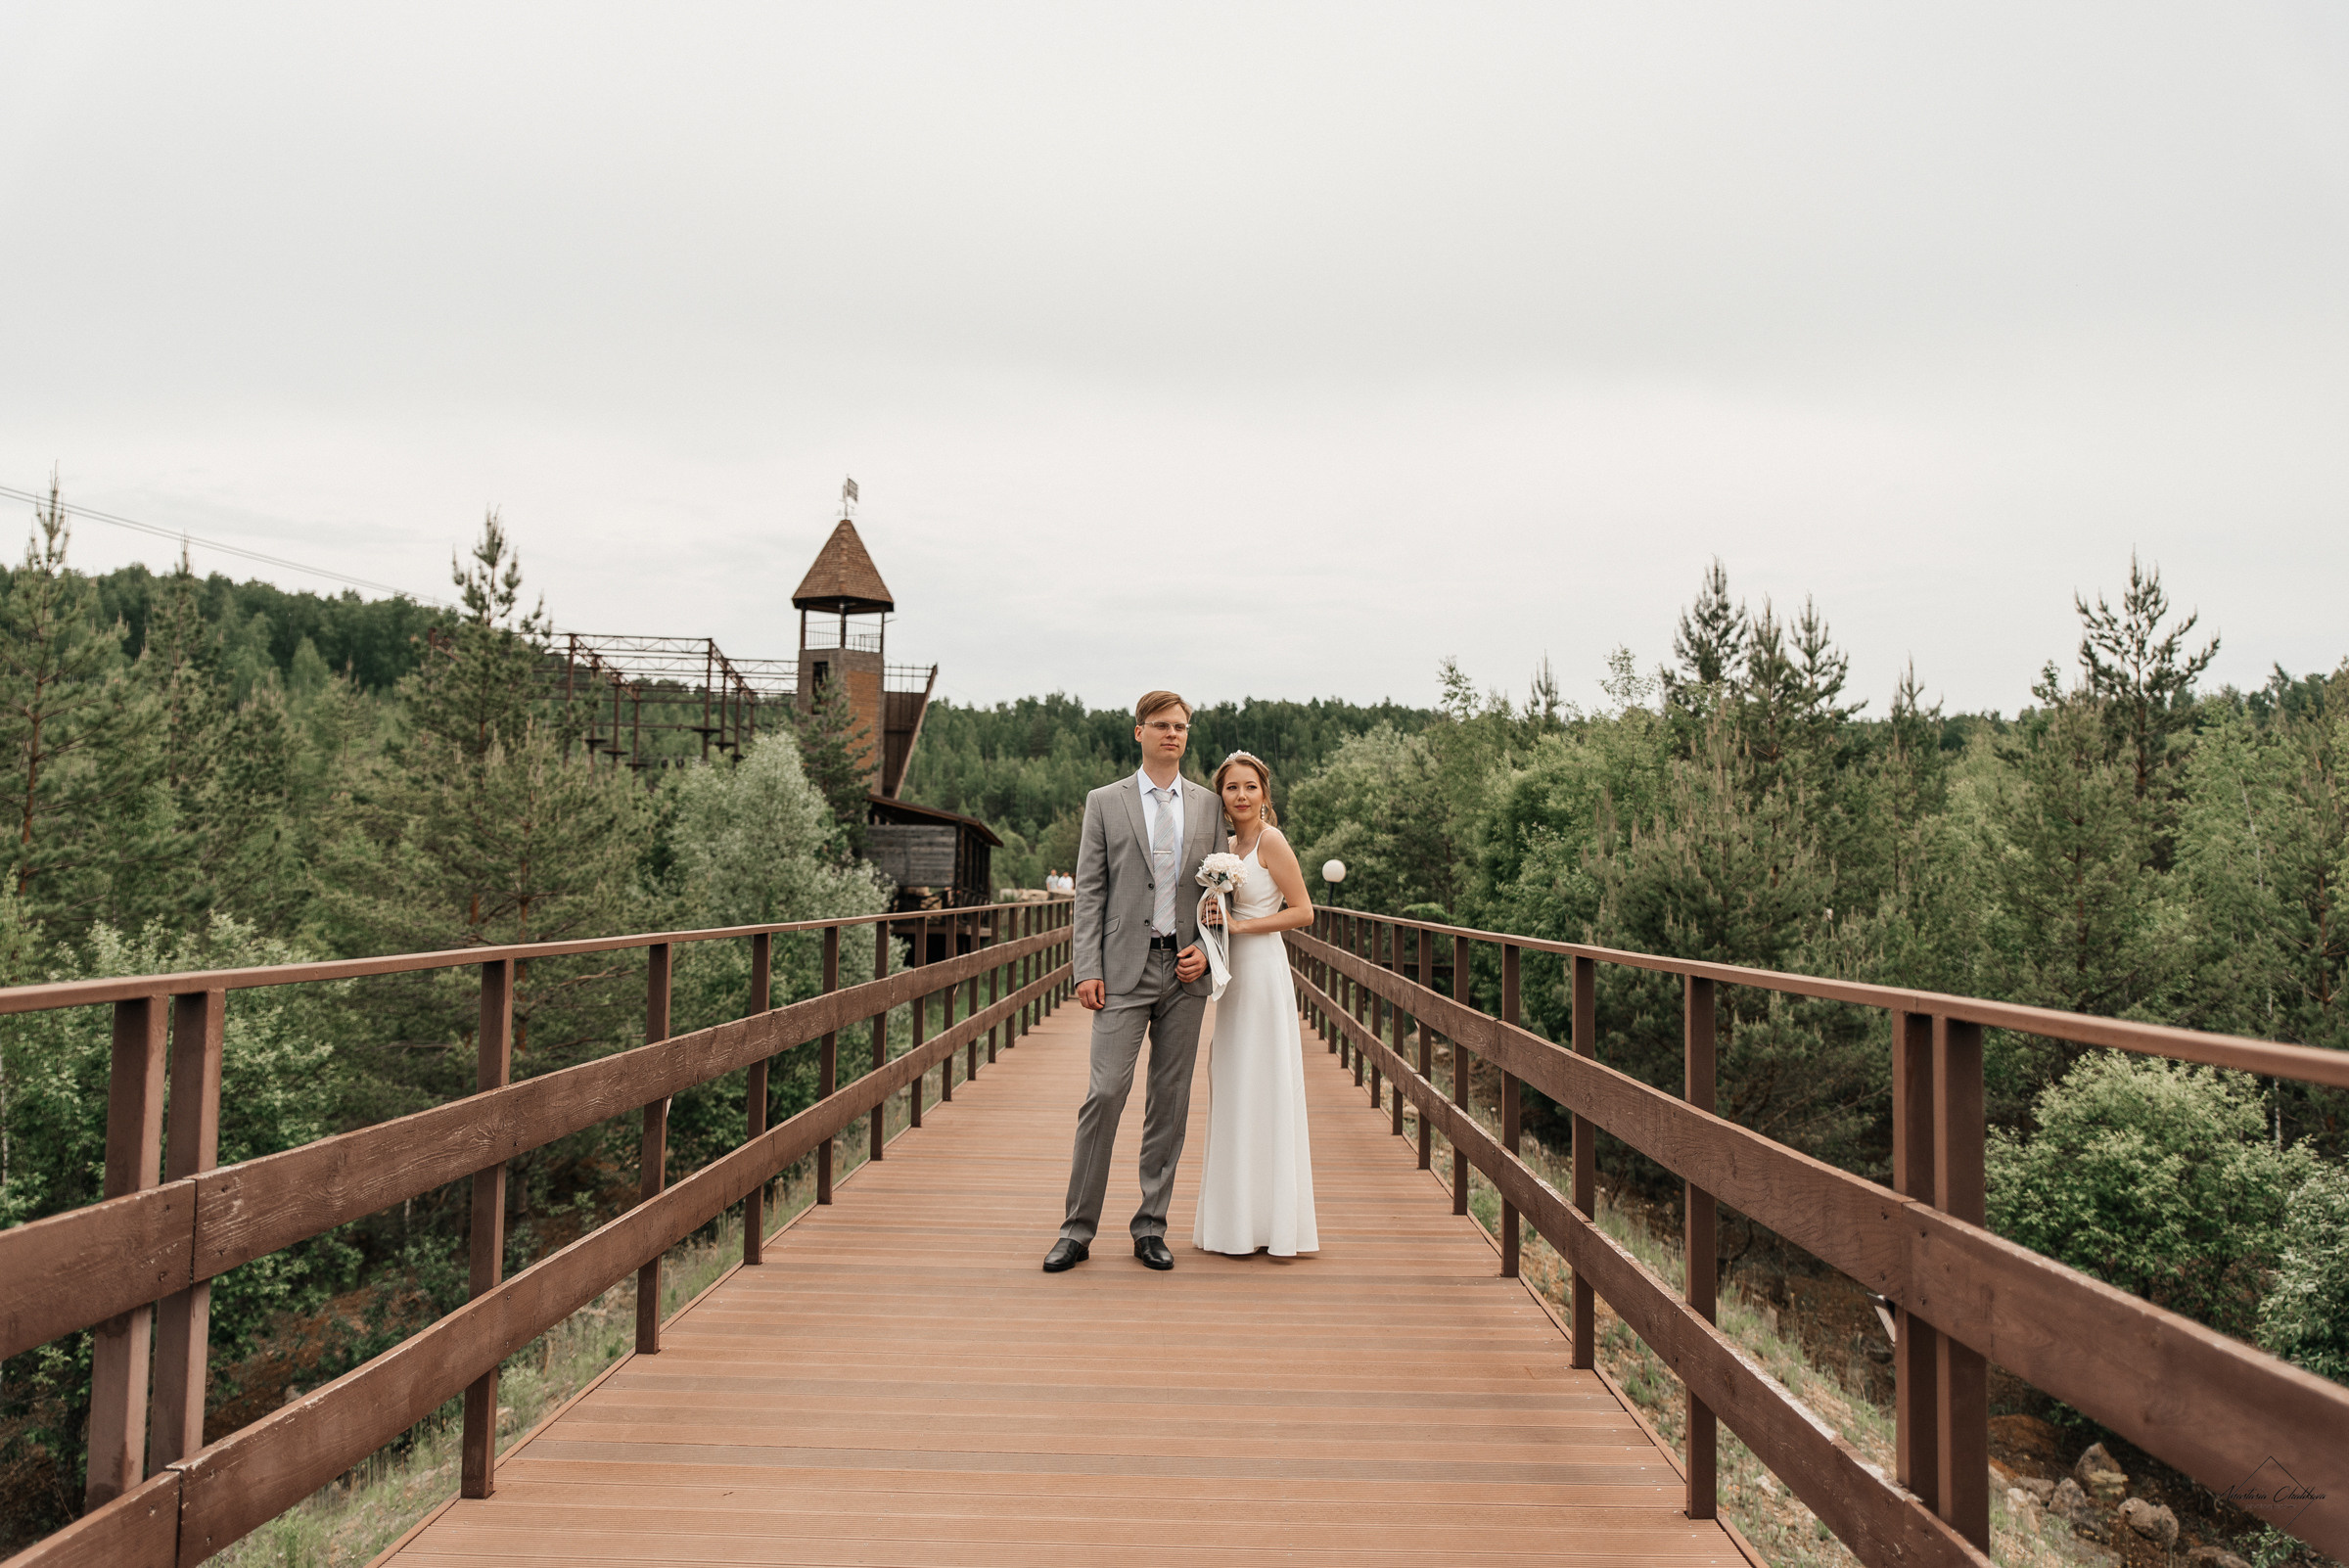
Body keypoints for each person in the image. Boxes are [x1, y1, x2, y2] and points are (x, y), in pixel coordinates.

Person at [1044, 690, 1218, 1273]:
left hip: (1185, 971)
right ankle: (1076, 1229)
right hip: (1121, 969)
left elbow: (1221, 896)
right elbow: (1090, 890)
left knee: (1169, 1102)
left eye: (1182, 726)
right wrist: (1085, 968)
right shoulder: (1105, 802)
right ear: (1137, 732)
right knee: (1105, 1094)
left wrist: (1206, 949)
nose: (1174, 734)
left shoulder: (1210, 805)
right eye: (1162, 725)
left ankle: (1150, 1227)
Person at [1191, 751, 1319, 1257]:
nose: (1241, 796)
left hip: (1264, 971)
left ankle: (1272, 1224)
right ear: (1221, 797)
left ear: (1265, 793)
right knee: (1233, 1081)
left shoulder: (1271, 841)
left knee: (1264, 1081)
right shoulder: (1224, 848)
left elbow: (1304, 911)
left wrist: (1239, 926)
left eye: (1250, 787)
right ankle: (1234, 1222)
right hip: (1232, 975)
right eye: (1231, 788)